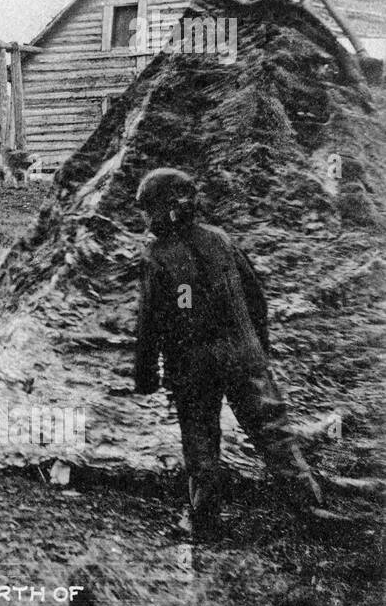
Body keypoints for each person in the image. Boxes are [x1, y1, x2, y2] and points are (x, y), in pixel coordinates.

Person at [131, 167, 343, 541]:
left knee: (200, 444)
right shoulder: (221, 240)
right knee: (274, 435)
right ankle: (311, 506)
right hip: (244, 358)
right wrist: (258, 348)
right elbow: (256, 298)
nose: (145, 219)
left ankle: (206, 521)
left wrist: (146, 374)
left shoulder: (157, 257)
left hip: (193, 366)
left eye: (147, 210)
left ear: (167, 210)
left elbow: (150, 323)